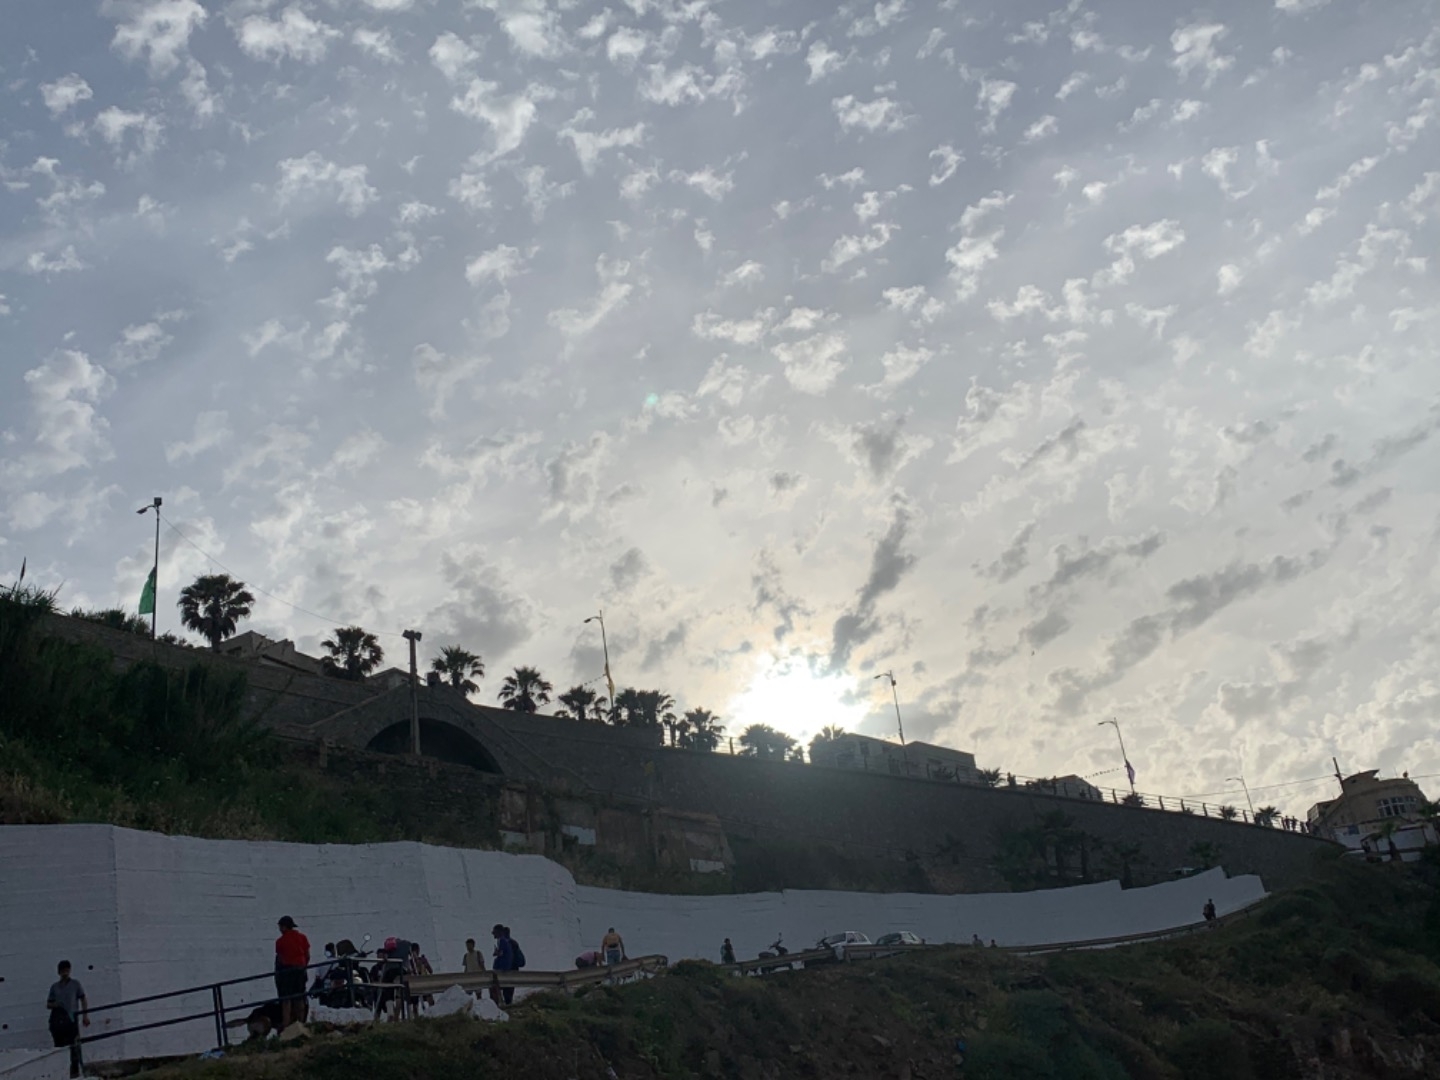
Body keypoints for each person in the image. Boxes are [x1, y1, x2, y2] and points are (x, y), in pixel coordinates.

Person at [46, 961, 89, 1079]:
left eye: (67, 970)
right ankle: (61, 1072)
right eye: (63, 971)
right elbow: (48, 1004)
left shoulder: (75, 984)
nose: (65, 973)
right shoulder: (55, 987)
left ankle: (76, 1072)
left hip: (72, 1019)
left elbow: (83, 999)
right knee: (59, 1046)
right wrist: (56, 1004)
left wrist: (85, 1015)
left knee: (74, 1046)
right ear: (59, 972)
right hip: (59, 1020)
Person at [274, 916, 310, 1030]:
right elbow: (307, 955)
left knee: (286, 999)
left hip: (287, 971)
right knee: (299, 997)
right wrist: (303, 967)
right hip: (300, 970)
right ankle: (301, 1023)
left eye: (280, 926)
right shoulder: (302, 937)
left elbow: (280, 959)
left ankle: (286, 1025)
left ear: (284, 927)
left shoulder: (280, 941)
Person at [491, 924, 515, 1006]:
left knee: (495, 986)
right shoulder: (505, 941)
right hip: (506, 967)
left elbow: (501, 953)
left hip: (503, 968)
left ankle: (498, 1004)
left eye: (494, 932)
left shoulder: (502, 941)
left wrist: (496, 953)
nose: (493, 934)